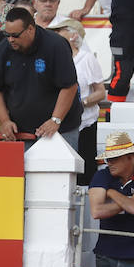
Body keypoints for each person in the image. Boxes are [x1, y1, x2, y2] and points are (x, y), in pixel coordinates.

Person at [0, 7, 79, 148]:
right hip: (21, 132)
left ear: (30, 29)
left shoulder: (55, 45)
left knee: (58, 169)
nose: (10, 39)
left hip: (61, 129)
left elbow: (70, 86)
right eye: (7, 34)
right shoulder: (3, 49)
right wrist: (5, 121)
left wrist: (56, 120)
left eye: (15, 35)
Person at [88, 131, 134, 267]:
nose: (109, 163)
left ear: (130, 157)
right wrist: (128, 202)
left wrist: (111, 192)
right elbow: (97, 211)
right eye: (108, 159)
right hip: (107, 255)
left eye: (114, 158)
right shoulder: (102, 175)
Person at [52, 16, 103, 181]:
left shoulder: (86, 58)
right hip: (60, 121)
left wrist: (81, 103)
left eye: (60, 31)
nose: (55, 35)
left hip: (84, 122)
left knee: (84, 168)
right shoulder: (56, 59)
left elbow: (100, 92)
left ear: (73, 35)